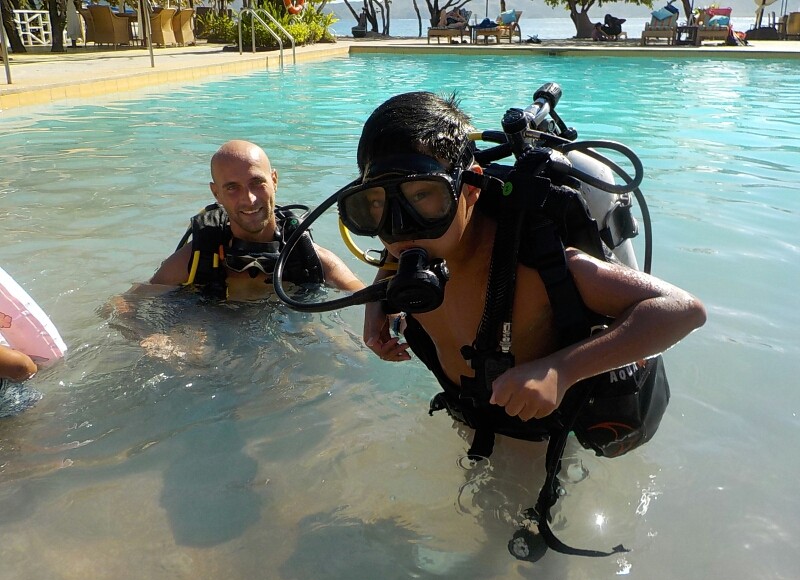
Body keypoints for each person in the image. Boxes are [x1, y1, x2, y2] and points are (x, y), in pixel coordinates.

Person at [354, 92, 706, 428]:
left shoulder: (534, 262)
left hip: (542, 424)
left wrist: (561, 371)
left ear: (471, 187)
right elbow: (405, 237)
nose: (399, 228)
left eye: (423, 195)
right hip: (469, 409)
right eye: (375, 204)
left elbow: (683, 309)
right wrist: (378, 299)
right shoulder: (411, 252)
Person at [150, 140, 364, 299]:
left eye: (257, 182)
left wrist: (394, 319)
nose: (249, 199)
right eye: (232, 187)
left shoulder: (307, 256)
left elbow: (365, 296)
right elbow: (128, 304)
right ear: (216, 194)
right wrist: (155, 338)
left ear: (274, 180)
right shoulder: (198, 257)